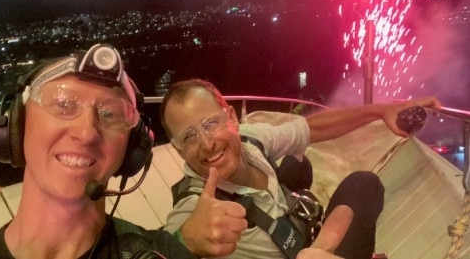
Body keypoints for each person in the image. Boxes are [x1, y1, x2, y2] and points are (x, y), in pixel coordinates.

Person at [159, 78, 442, 259]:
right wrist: (184, 240)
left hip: (301, 236)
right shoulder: (194, 204)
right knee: (364, 184)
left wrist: (380, 111)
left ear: (231, 118)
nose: (207, 143)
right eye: (189, 136)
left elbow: (310, 128)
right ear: (177, 149)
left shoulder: (249, 139)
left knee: (298, 160)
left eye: (210, 123)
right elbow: (162, 245)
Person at [0, 44, 195, 259]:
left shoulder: (162, 252)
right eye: (64, 104)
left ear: (132, 148)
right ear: (17, 123)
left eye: (110, 115)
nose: (87, 133)